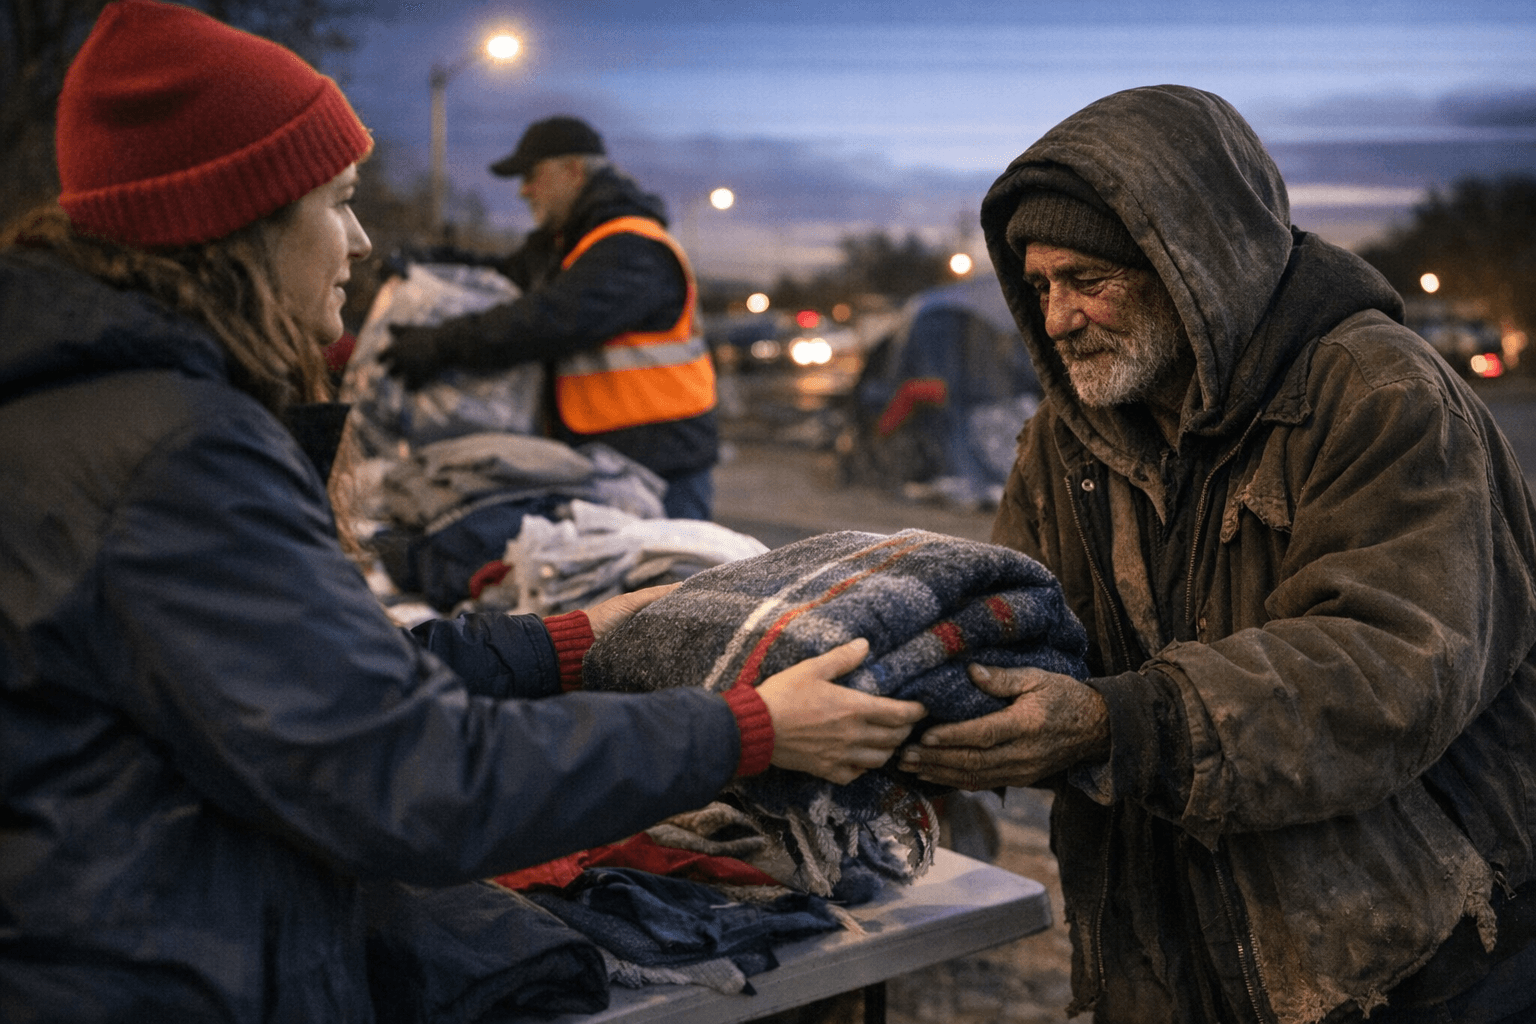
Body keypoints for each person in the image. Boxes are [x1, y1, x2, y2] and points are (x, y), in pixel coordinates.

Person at [0, 4, 926, 1020]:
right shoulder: (176, 448)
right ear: (240, 224)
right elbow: (410, 776)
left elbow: (314, 689)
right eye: (339, 202)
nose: (359, 241)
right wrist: (746, 728)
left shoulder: (92, 415)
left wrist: (574, 640)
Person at [898, 85, 1536, 1024]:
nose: (1060, 316)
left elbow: (1392, 667)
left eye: (1088, 278)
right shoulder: (1063, 440)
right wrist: (926, 697)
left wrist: (1122, 724)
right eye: (1040, 288)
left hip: (1414, 955)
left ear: (1192, 265)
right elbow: (1027, 625)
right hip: (1171, 953)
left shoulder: (1380, 391)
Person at [378, 115, 720, 520]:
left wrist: (441, 344)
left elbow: (548, 319)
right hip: (605, 462)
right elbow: (505, 277)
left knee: (673, 582)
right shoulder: (570, 244)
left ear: (573, 171)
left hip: (662, 468)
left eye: (532, 175)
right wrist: (430, 263)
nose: (524, 191)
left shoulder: (632, 247)